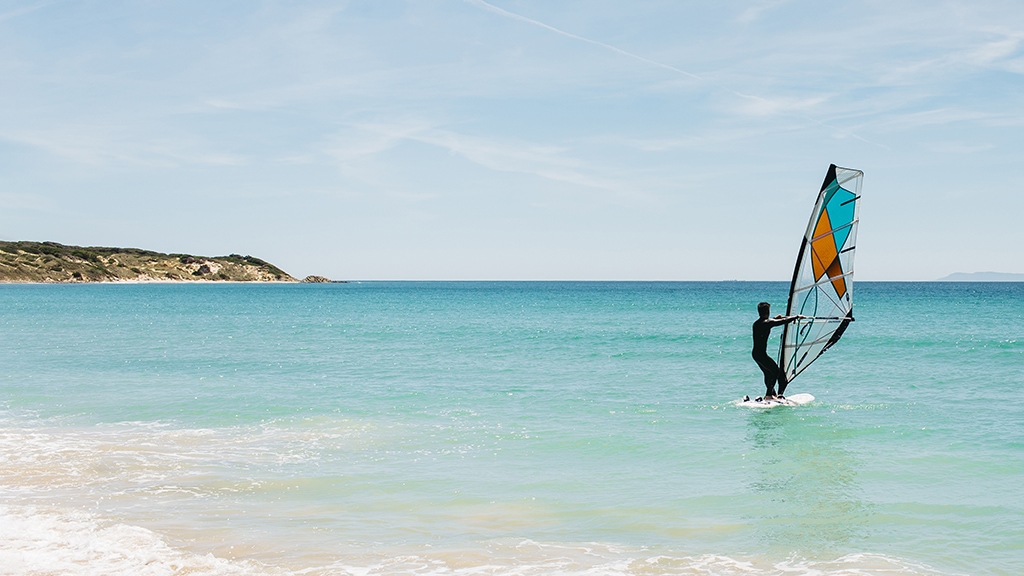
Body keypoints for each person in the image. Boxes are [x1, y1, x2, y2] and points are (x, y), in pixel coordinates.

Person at [751, 302, 803, 401]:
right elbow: (781, 322)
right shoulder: (766, 323)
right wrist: (796, 316)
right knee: (775, 371)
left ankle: (771, 394)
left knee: (768, 373)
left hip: (756, 354)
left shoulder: (757, 323)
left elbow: (772, 322)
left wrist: (775, 318)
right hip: (761, 355)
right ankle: (768, 395)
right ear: (767, 312)